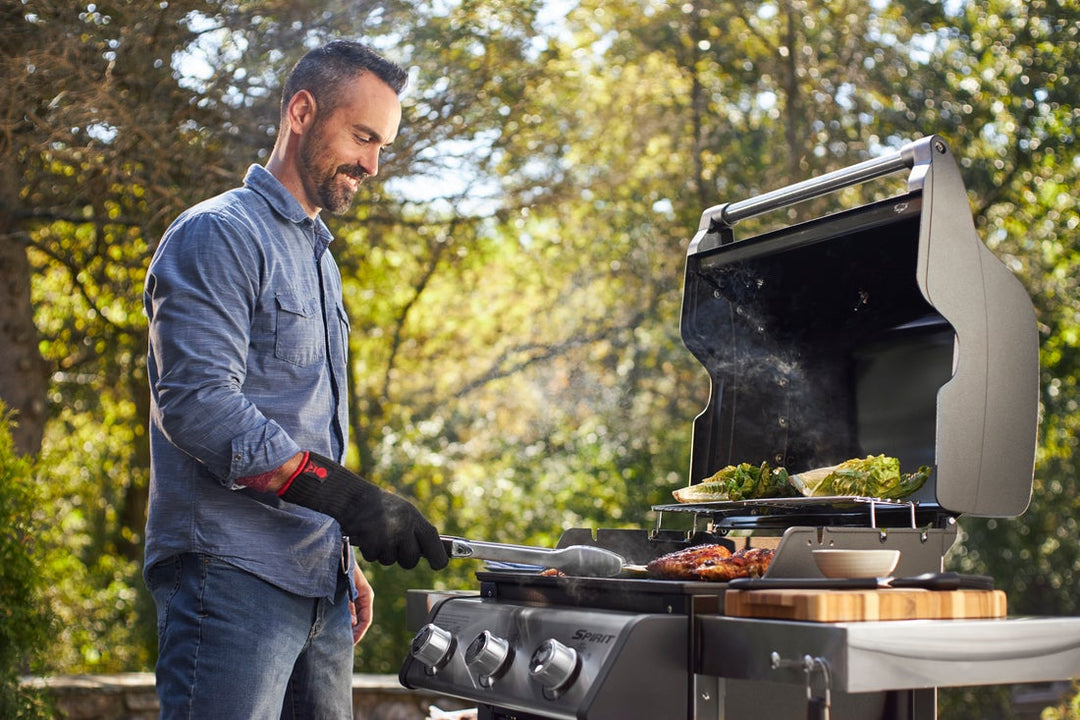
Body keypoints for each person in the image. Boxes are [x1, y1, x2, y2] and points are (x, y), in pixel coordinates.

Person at [142, 40, 449, 719]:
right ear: (303, 112)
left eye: (383, 146)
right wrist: (349, 499)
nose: (372, 164)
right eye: (363, 137)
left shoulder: (320, 260)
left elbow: (299, 416)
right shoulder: (217, 235)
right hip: (230, 580)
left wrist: (338, 552)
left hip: (321, 589)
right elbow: (199, 406)